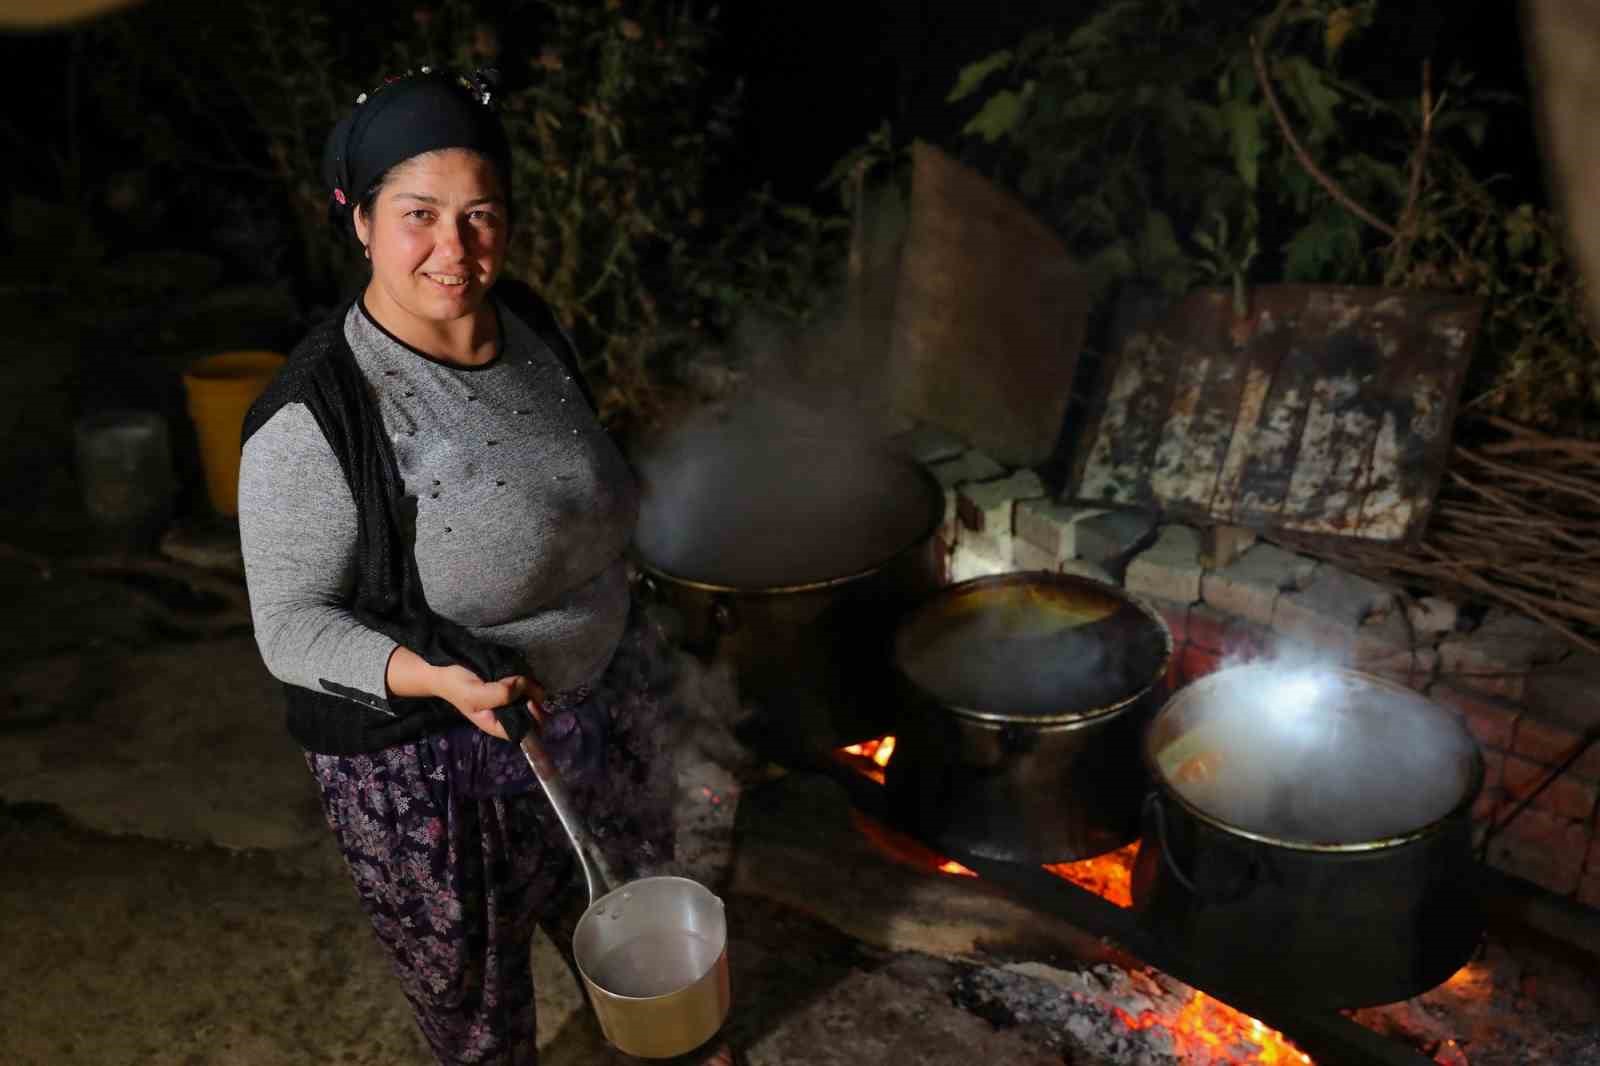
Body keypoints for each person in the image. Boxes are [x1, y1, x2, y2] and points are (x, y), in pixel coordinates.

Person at [237, 68, 730, 1066]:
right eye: (419, 215)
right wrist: (438, 680)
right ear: (361, 220)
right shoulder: (319, 413)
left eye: (480, 215)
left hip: (600, 707)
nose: (455, 251)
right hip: (432, 765)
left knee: (642, 939)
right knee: (479, 1014)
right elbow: (289, 626)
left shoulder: (530, 324)